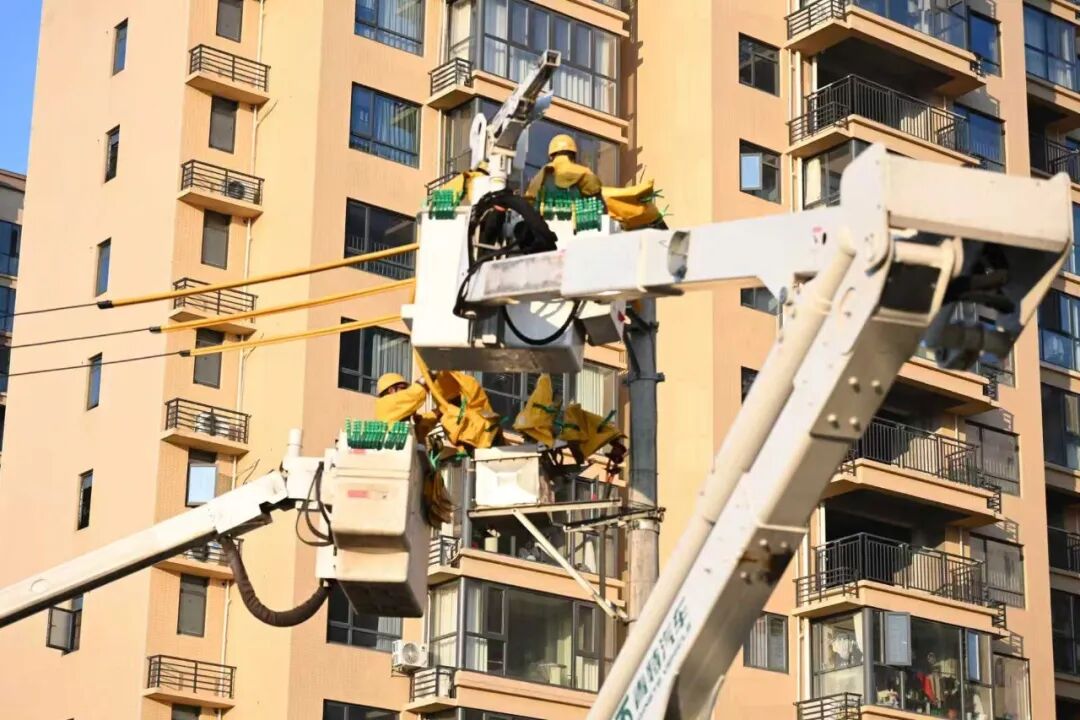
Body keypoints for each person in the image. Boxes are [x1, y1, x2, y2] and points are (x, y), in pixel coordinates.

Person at [525, 134, 602, 203]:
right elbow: (596, 196)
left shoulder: (542, 174)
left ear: (551, 156)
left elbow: (529, 199)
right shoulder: (585, 173)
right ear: (573, 155)